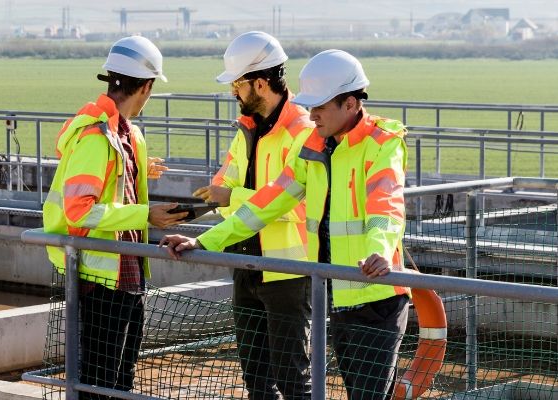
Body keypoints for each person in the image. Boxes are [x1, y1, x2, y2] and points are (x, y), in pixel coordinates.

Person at [161, 49, 411, 400]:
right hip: (335, 294)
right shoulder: (315, 146)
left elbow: (385, 204)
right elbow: (268, 201)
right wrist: (205, 242)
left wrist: (378, 253)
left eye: (321, 108)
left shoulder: (382, 144)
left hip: (377, 296)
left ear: (351, 104)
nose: (312, 115)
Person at [42, 36, 187, 399]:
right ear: (146, 87)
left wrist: (139, 168)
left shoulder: (124, 134)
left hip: (123, 274)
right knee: (100, 382)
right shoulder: (96, 137)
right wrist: (146, 215)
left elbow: (110, 181)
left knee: (120, 379)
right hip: (102, 279)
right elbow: (80, 209)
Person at [196, 31, 314, 400]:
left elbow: (299, 205)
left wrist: (232, 196)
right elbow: (222, 183)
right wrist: (202, 205)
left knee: (294, 378)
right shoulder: (247, 128)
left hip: (287, 272)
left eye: (237, 83)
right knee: (256, 380)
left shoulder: (303, 131)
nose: (233, 91)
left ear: (260, 83)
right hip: (245, 264)